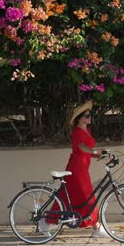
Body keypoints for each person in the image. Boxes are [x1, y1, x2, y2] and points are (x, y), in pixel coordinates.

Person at [40, 100, 109, 238]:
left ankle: (45, 222)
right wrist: (96, 151)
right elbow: (82, 147)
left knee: (66, 198)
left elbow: (87, 152)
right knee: (88, 198)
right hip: (76, 169)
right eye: (87, 115)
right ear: (79, 118)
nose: (90, 118)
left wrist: (104, 155)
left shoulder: (87, 130)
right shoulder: (77, 131)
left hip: (82, 168)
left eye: (90, 115)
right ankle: (97, 228)